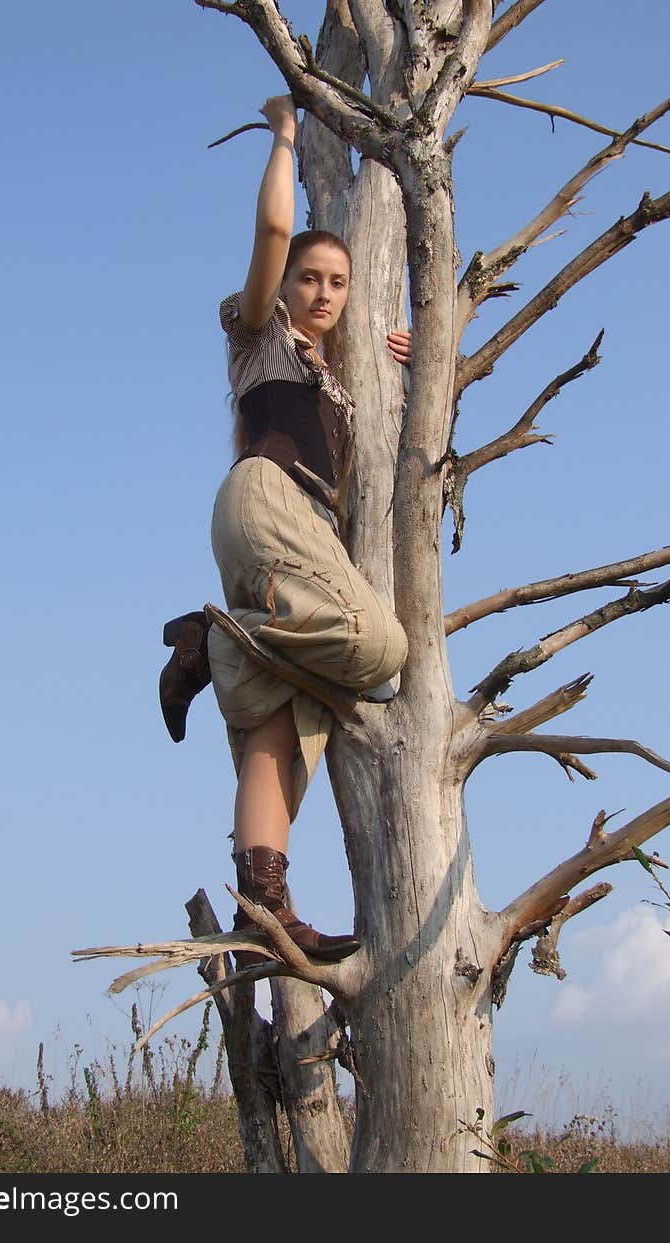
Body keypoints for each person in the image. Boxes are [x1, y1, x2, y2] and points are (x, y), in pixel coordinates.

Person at [159, 96, 410, 967]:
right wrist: (285, 137)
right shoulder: (262, 337)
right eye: (313, 278)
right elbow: (272, 234)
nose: (324, 293)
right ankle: (215, 642)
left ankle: (264, 909)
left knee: (278, 734)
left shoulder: (338, 376)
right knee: (382, 651)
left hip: (294, 538)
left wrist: (409, 358)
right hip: (270, 503)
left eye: (339, 283)